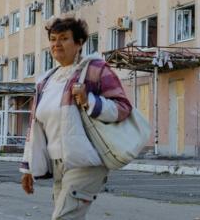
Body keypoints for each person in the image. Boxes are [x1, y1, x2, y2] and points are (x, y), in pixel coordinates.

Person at [19, 17, 132, 219]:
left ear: (79, 43)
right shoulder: (45, 80)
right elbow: (35, 127)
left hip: (86, 161)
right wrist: (27, 168)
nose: (56, 44)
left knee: (63, 217)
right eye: (53, 39)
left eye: (64, 38)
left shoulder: (95, 69)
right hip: (58, 164)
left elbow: (123, 107)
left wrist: (89, 101)